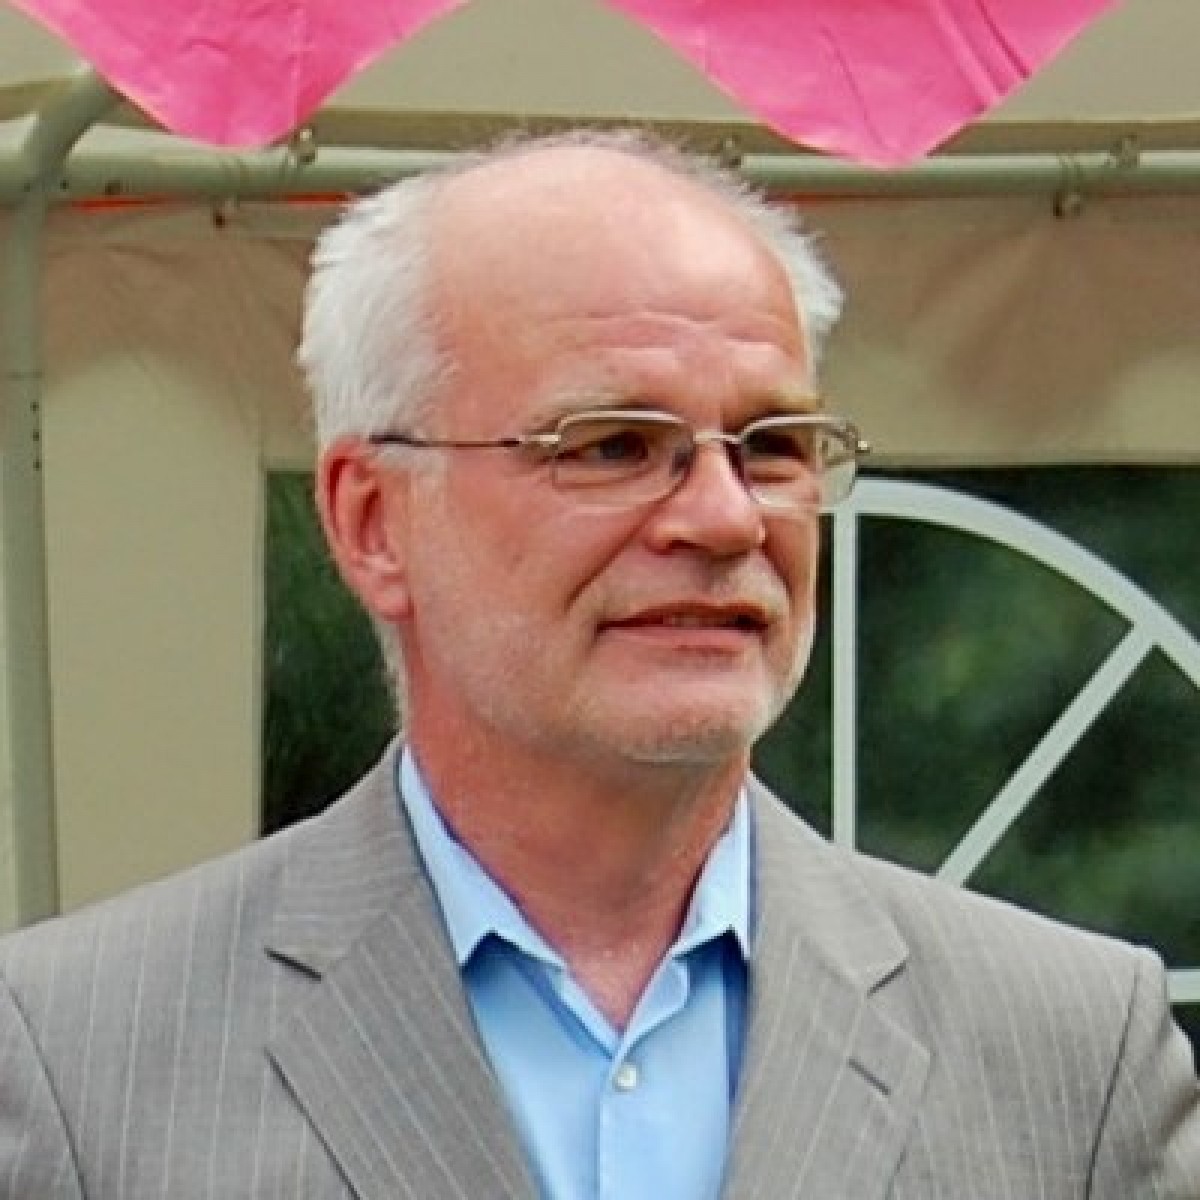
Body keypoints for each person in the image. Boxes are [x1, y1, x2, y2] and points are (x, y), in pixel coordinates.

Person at [1, 129, 1197, 1200]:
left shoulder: (1071, 1057)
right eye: (614, 445)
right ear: (373, 522)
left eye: (774, 446)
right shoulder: (78, 1060)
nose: (726, 517)